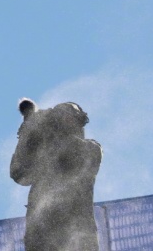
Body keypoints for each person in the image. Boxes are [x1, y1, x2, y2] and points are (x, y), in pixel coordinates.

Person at [10, 99, 103, 251]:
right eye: (57, 119)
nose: (61, 123)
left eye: (67, 118)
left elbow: (67, 150)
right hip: (40, 237)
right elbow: (18, 172)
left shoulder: (90, 149)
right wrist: (28, 133)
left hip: (78, 238)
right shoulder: (42, 154)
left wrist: (40, 127)